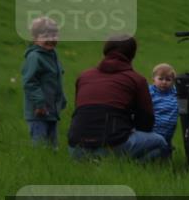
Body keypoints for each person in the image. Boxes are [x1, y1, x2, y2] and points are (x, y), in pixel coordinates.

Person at [68, 35, 171, 162]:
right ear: (132, 54)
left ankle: (100, 164)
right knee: (161, 143)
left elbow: (81, 111)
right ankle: (127, 167)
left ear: (106, 50)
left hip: (76, 148)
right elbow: (146, 122)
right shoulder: (136, 80)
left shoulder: (83, 76)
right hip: (113, 143)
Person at [22, 16, 67, 149]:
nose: (51, 39)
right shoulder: (34, 57)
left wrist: (61, 99)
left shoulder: (52, 55)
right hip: (38, 112)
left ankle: (51, 167)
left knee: (53, 147)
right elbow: (30, 83)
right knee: (40, 146)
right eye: (45, 35)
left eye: (54, 35)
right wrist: (40, 104)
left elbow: (56, 79)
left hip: (52, 110)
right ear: (35, 38)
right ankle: (36, 167)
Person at [149, 63, 179, 150]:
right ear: (153, 79)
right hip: (153, 130)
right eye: (160, 79)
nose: (164, 82)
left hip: (169, 131)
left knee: (166, 150)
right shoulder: (150, 92)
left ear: (173, 81)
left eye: (168, 79)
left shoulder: (176, 93)